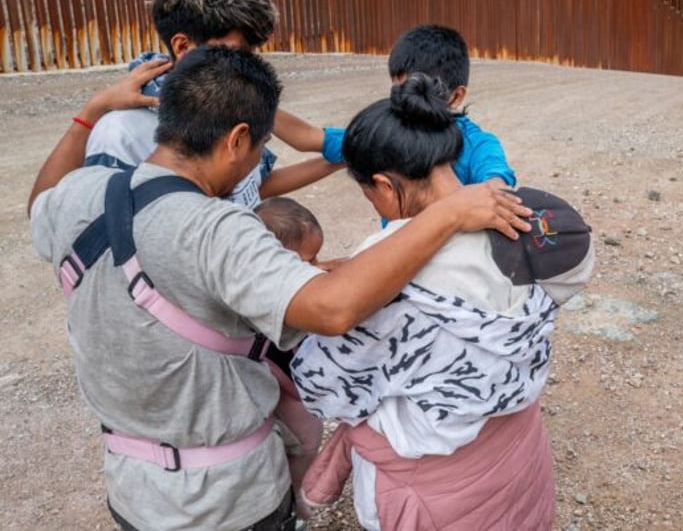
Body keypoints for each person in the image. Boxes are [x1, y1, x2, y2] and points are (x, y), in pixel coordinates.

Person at [28, 46, 531, 530]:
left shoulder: (82, 193)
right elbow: (332, 312)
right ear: (237, 139)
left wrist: (89, 114)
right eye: (260, 148)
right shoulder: (219, 230)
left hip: (132, 488)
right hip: (227, 500)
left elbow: (39, 202)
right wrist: (447, 213)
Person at [291, 73, 594, 530]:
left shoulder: (380, 275)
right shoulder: (522, 220)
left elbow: (324, 387)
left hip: (433, 488)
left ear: (384, 187)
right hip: (517, 454)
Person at [84, 0, 340, 209]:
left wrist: (344, 159)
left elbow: (252, 187)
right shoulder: (121, 134)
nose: (242, 65)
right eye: (235, 52)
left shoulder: (231, 98)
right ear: (182, 46)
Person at [289, 23, 517, 190]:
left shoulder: (477, 144)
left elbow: (496, 184)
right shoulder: (383, 132)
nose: (405, 102)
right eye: (400, 91)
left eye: (418, 91)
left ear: (457, 96)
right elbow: (306, 137)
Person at [254, 197, 326, 525]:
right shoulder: (277, 298)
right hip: (288, 389)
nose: (315, 267)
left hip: (278, 385)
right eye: (308, 260)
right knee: (307, 441)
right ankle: (296, 499)